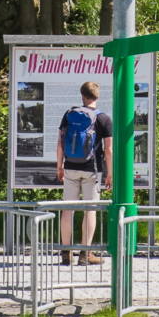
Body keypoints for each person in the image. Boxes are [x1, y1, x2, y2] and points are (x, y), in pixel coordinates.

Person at [56, 80, 112, 265]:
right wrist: (110, 173)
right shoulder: (103, 118)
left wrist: (60, 166)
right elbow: (109, 149)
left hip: (70, 167)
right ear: (97, 96)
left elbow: (61, 143)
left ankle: (66, 253)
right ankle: (85, 254)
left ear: (82, 95)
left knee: (67, 210)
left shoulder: (69, 114)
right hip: (92, 170)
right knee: (90, 211)